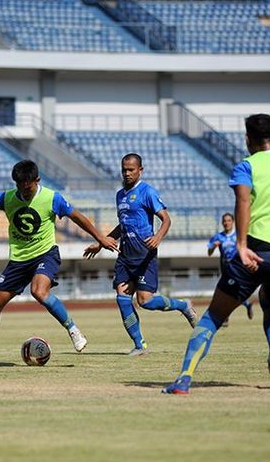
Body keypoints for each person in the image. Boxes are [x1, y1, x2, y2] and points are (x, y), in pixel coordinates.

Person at [163, 114, 270, 395]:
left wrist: (243, 244)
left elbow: (243, 200)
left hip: (257, 252)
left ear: (247, 139)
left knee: (213, 316)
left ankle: (184, 379)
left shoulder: (247, 166)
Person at [0, 160, 119, 366]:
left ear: (37, 180)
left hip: (46, 253)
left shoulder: (52, 198)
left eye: (28, 187)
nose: (24, 191)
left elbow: (77, 217)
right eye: (20, 186)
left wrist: (100, 238)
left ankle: (73, 330)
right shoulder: (6, 197)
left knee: (39, 291)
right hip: (19, 260)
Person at [84, 153, 197, 357]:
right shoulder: (120, 195)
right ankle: (140, 345)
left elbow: (166, 219)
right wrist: (101, 242)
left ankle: (183, 305)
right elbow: (123, 224)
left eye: (131, 170)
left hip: (145, 255)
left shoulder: (147, 192)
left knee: (145, 301)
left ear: (140, 170)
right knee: (122, 298)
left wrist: (158, 237)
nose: (127, 173)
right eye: (124, 170)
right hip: (125, 255)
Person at [207, 212, 254, 326]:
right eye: (224, 221)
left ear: (233, 222)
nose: (226, 223)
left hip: (237, 267)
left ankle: (225, 318)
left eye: (228, 220)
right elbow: (209, 252)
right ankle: (246, 304)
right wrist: (213, 247)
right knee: (231, 292)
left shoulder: (239, 236)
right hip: (225, 267)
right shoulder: (218, 237)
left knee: (226, 291)